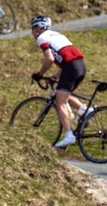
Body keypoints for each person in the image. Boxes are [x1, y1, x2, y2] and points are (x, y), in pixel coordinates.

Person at [29, 16, 91, 149]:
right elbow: (67, 59)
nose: (32, 33)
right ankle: (85, 110)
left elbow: (50, 59)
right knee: (63, 93)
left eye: (33, 29)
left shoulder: (42, 38)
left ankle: (69, 135)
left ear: (38, 28)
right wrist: (55, 77)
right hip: (80, 66)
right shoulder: (58, 35)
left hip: (71, 68)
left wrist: (40, 74)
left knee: (60, 101)